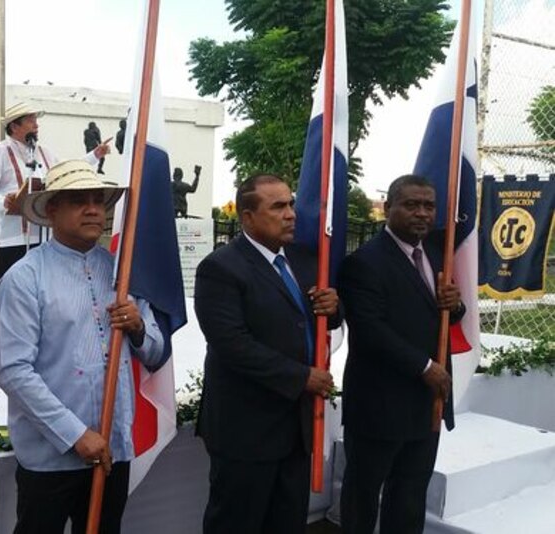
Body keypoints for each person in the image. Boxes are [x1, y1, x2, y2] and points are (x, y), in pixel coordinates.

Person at [0, 160, 166, 534]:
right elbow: (13, 371)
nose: (92, 210)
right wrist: (75, 434)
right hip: (50, 457)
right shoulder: (25, 278)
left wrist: (137, 328)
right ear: (51, 209)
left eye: (98, 201)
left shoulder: (123, 274)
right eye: (78, 201)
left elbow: (155, 352)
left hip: (112, 449)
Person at [194, 173, 341, 534]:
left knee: (287, 523)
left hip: (296, 427)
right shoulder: (220, 268)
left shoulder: (304, 261)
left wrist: (334, 307)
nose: (290, 214)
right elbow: (232, 344)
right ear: (247, 217)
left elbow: (319, 319)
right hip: (246, 430)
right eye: (277, 207)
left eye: (291, 204)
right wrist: (301, 377)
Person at [339, 174, 462, 534]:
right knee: (362, 496)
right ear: (387, 207)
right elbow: (370, 330)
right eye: (411, 205)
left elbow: (440, 315)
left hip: (427, 403)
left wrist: (455, 306)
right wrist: (424, 366)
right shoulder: (364, 262)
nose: (422, 213)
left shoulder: (438, 255)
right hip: (380, 403)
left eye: (429, 206)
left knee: (409, 497)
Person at [0, 102, 111, 278]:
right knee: (15, 286)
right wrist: (3, 201)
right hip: (13, 239)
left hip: (46, 238)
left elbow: (67, 172)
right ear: (14, 126)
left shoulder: (44, 153)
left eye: (36, 120)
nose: (36, 125)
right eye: (30, 121)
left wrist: (95, 155)